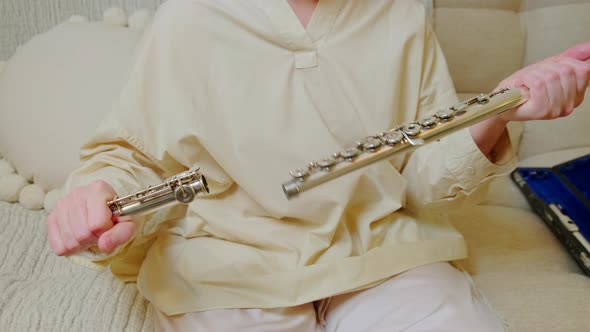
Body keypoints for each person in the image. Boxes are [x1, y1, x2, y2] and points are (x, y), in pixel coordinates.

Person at [46, 0, 590, 331]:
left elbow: (423, 181)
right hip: (230, 265)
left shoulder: (400, 17)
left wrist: (499, 109)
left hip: (384, 255)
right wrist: (98, 197)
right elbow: (133, 158)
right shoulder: (188, 19)